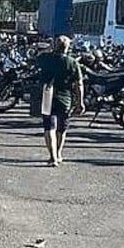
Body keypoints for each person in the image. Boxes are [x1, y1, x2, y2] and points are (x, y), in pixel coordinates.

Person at [36, 35, 85, 167]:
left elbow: (35, 57)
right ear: (68, 47)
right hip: (65, 99)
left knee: (49, 127)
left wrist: (48, 49)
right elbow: (79, 84)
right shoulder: (72, 62)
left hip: (47, 96)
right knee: (62, 129)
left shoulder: (45, 58)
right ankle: (58, 153)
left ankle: (52, 158)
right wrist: (80, 102)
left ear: (54, 45)